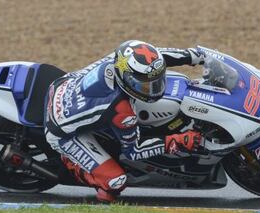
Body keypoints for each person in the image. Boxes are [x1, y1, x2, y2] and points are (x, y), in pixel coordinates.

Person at [45, 40, 205, 202]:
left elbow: (159, 56)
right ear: (126, 79)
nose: (154, 88)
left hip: (64, 84)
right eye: (145, 86)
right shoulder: (121, 110)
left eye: (155, 82)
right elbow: (134, 151)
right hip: (60, 131)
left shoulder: (121, 60)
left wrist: (193, 56)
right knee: (115, 182)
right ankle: (73, 165)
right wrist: (176, 141)